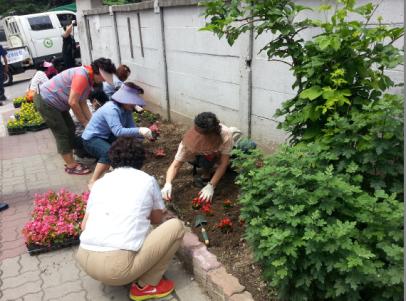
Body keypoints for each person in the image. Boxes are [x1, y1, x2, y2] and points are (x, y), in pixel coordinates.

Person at [76, 137, 185, 301]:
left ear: (112, 158)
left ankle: (126, 270)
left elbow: (84, 226)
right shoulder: (147, 180)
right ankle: (146, 286)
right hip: (115, 269)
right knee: (176, 227)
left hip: (84, 260)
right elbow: (156, 219)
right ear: (141, 160)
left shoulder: (100, 183)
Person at [34, 57, 116, 175]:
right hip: (46, 101)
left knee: (70, 129)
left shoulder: (89, 78)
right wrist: (84, 122)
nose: (103, 81)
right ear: (99, 72)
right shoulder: (82, 76)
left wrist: (92, 122)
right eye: (104, 78)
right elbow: (73, 102)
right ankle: (71, 165)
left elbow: (82, 102)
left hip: (57, 103)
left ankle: (71, 157)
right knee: (62, 132)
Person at [82, 82, 153, 188]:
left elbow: (131, 128)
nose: (134, 104)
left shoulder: (126, 110)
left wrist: (143, 136)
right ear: (125, 99)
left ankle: (113, 168)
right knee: (108, 152)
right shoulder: (111, 109)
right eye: (133, 101)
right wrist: (140, 130)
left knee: (125, 144)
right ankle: (93, 181)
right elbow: (118, 131)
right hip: (91, 139)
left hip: (106, 136)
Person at [161, 112, 239, 203]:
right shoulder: (188, 143)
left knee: (236, 155)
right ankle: (206, 169)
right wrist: (168, 183)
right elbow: (175, 165)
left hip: (219, 153)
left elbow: (223, 163)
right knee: (207, 160)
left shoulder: (225, 135)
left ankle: (221, 169)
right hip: (201, 157)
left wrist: (211, 185)